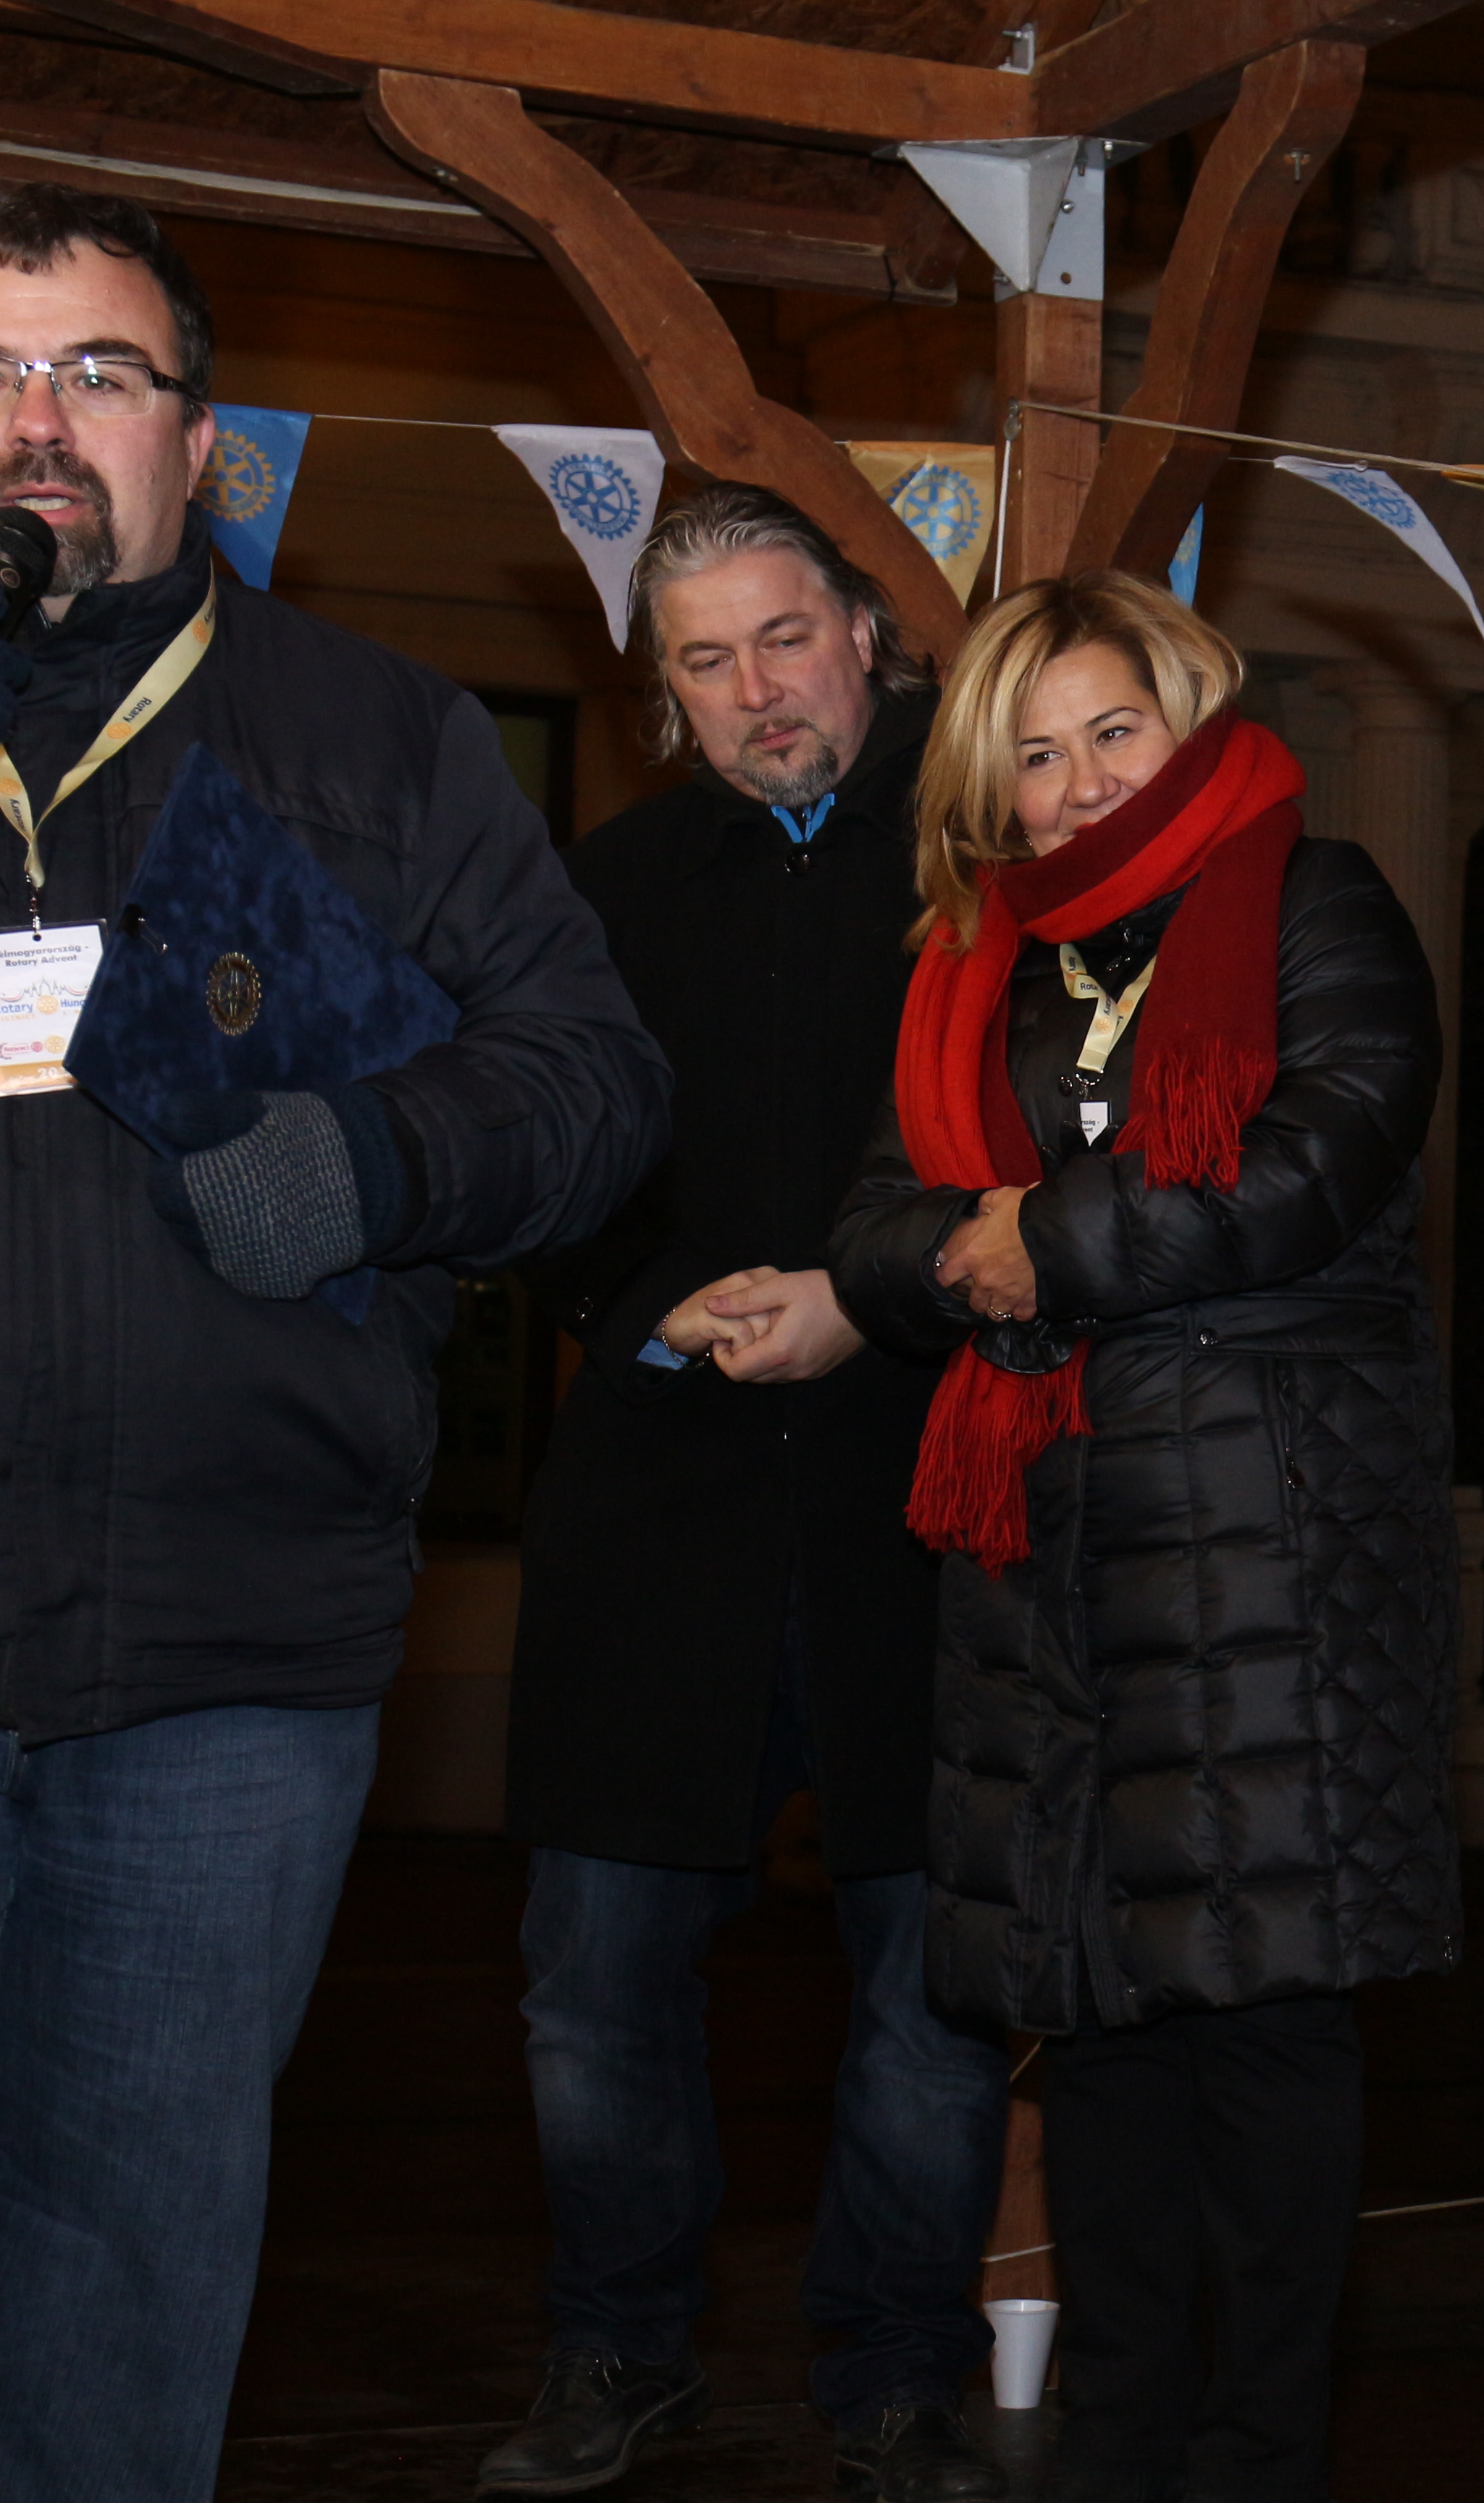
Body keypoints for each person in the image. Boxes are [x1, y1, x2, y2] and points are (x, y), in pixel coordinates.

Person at [0, 185, 668, 2502]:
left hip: (231, 1663)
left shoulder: (373, 735)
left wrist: (373, 1160)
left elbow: (597, 1086)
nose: (38, 424)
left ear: (200, 443)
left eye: (97, 374)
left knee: (130, 2274)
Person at [826, 572, 1457, 2503]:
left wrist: (1042, 1238)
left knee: (1262, 2028)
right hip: (1046, 1573)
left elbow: (1317, 1156)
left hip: (1271, 1556)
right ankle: (1112, 2455)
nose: (1082, 781)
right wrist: (968, 1252)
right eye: (1036, 757)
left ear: (1185, 715)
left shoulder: (1319, 898)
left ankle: (1256, 2461)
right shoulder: (977, 965)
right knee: (1091, 2025)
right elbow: (876, 1228)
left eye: (1112, 730)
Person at [483, 488, 1012, 2502]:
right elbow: (522, 1160)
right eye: (705, 661)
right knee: (593, 1977)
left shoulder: (992, 863)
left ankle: (899, 2376)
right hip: (658, 1497)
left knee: (932, 1983)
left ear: (866, 632)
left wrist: (870, 1302)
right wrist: (646, 1306)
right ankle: (617, 2351)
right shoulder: (600, 885)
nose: (755, 691)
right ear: (665, 694)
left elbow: (1064, 1158)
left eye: (784, 638)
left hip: (925, 1483)